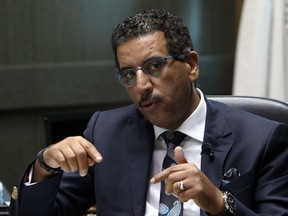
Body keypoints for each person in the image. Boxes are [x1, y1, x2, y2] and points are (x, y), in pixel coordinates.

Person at [9, 9, 288, 216]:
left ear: (191, 65)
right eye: (128, 74)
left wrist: (219, 203)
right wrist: (44, 165)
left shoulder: (262, 138)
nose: (140, 85)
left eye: (154, 66)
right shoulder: (106, 132)